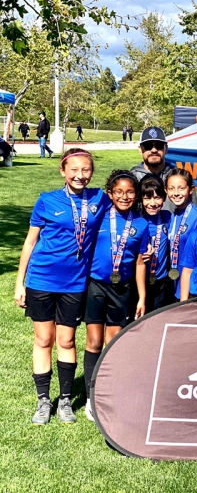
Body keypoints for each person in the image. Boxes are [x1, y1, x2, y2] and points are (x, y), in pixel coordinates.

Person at [14, 148, 110, 425]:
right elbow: (30, 242)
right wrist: (19, 283)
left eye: (86, 170)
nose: (80, 175)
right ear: (63, 171)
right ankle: (44, 400)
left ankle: (65, 400)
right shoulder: (47, 200)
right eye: (75, 170)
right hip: (41, 279)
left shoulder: (99, 199)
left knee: (66, 340)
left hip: (75, 283)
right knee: (43, 339)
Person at [83, 170, 149, 421]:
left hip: (123, 288)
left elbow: (141, 263)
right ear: (110, 194)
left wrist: (142, 296)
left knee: (114, 343)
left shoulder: (140, 224)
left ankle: (110, 393)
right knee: (94, 342)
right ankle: (91, 396)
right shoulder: (98, 218)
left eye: (130, 192)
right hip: (96, 285)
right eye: (118, 192)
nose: (124, 196)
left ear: (137, 195)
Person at [165, 168, 197, 300]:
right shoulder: (172, 215)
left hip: (189, 282)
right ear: (166, 190)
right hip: (174, 278)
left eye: (181, 188)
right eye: (171, 188)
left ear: (191, 189)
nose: (176, 193)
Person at [138, 175, 173, 312]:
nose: (152, 203)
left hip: (162, 281)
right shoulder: (135, 219)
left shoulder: (168, 217)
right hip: (138, 281)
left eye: (157, 197)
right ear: (140, 198)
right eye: (147, 198)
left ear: (164, 198)